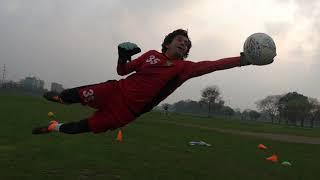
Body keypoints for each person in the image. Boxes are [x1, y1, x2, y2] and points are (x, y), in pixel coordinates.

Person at [32, 29, 270, 134]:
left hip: (126, 113)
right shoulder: (149, 55)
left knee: (83, 128)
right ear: (167, 43)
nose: (184, 44)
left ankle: (55, 127)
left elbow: (214, 64)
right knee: (75, 94)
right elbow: (123, 70)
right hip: (114, 91)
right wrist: (123, 55)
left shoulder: (184, 69)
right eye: (179, 40)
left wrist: (243, 59)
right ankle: (59, 98)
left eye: (186, 44)